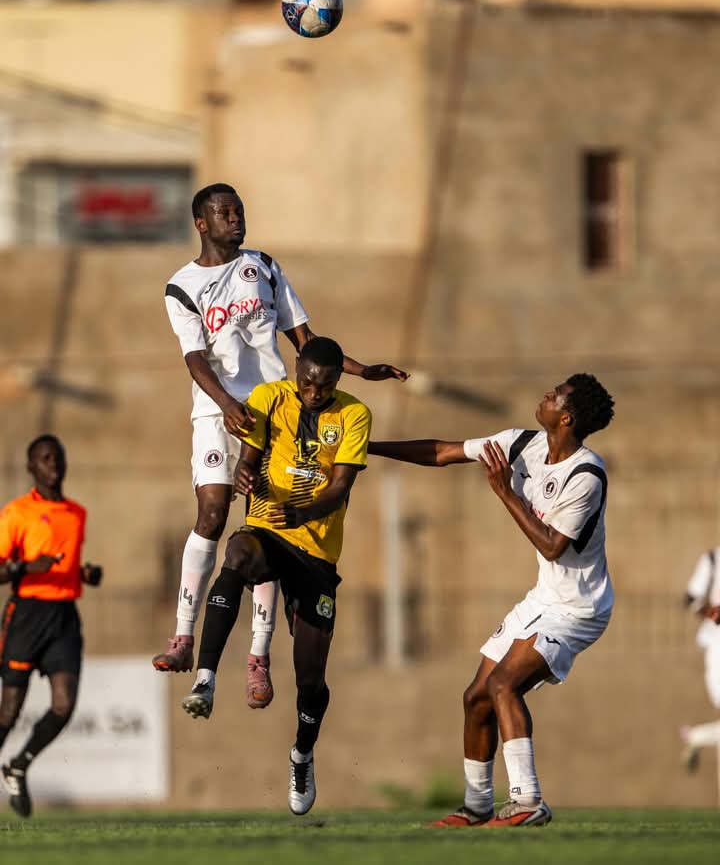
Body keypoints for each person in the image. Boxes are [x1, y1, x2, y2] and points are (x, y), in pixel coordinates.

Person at [152, 183, 406, 712]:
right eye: (225, 212)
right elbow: (195, 358)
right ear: (201, 223)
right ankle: (183, 634)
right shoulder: (181, 286)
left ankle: (258, 656)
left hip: (274, 412)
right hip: (217, 410)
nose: (236, 218)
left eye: (239, 210)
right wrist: (225, 403)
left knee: (267, 526)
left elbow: (305, 339)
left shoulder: (263, 267)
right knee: (213, 512)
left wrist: (362, 370)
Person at [368, 373, 615, 827]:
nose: (546, 394)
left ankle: (528, 801)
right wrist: (368, 448)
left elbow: (553, 546)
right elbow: (442, 452)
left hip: (579, 608)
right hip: (544, 597)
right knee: (476, 698)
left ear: (567, 418)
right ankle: (477, 805)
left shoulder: (587, 475)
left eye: (556, 395)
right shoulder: (521, 444)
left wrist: (504, 492)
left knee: (503, 685)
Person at [181, 337, 371, 816]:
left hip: (316, 552)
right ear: (297, 368)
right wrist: (244, 476)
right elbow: (248, 461)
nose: (313, 392)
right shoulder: (269, 397)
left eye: (324, 385)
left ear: (337, 380)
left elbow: (340, 489)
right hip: (267, 530)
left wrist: (303, 511)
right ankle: (205, 678)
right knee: (237, 553)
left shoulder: (354, 415)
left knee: (310, 678)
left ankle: (302, 754)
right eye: (306, 381)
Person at [0, 435, 102, 818]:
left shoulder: (76, 513)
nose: (53, 463)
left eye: (58, 456)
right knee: (9, 711)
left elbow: (63, 564)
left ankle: (19, 765)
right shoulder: (16, 513)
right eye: (45, 458)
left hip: (63, 617)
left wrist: (83, 573)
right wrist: (27, 566)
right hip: (26, 616)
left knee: (64, 704)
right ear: (31, 467)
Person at [679, 548, 720, 770]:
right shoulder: (713, 559)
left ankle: (697, 736)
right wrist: (712, 611)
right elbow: (691, 598)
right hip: (717, 643)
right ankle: (697, 736)